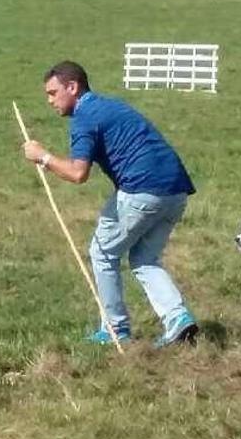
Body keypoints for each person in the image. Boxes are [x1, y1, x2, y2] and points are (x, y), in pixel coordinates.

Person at [22, 60, 199, 348]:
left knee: (102, 252)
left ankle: (114, 329)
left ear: (72, 87)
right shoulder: (111, 106)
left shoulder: (84, 117)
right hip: (177, 191)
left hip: (143, 190)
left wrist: (42, 157)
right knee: (144, 258)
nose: (49, 101)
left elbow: (78, 173)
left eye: (53, 93)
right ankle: (178, 318)